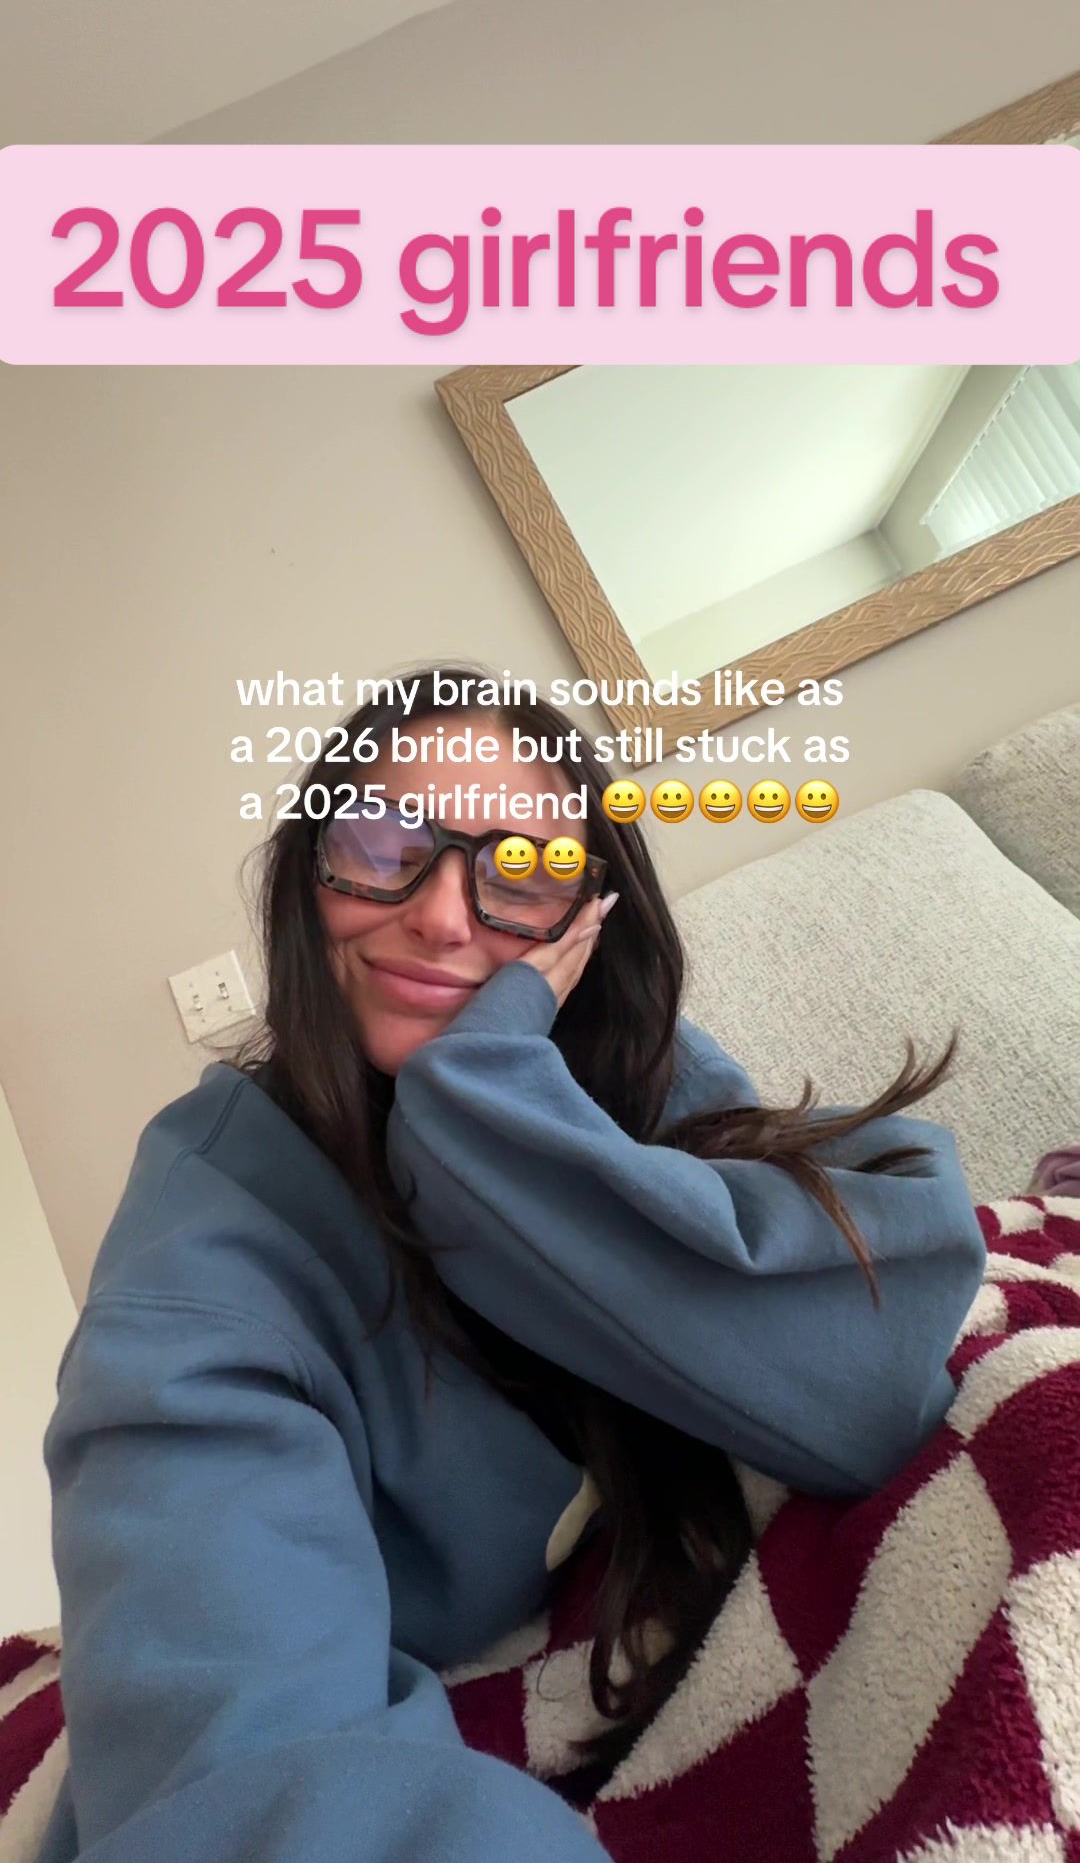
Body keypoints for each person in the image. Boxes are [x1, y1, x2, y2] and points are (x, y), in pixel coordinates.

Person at [37, 668, 986, 1863]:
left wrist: (483, 1108)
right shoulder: (204, 1247)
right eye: (383, 847)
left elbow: (866, 1379)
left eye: (523, 871)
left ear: (587, 917)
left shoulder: (599, 1065)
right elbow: (242, 1770)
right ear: (305, 877)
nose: (443, 917)